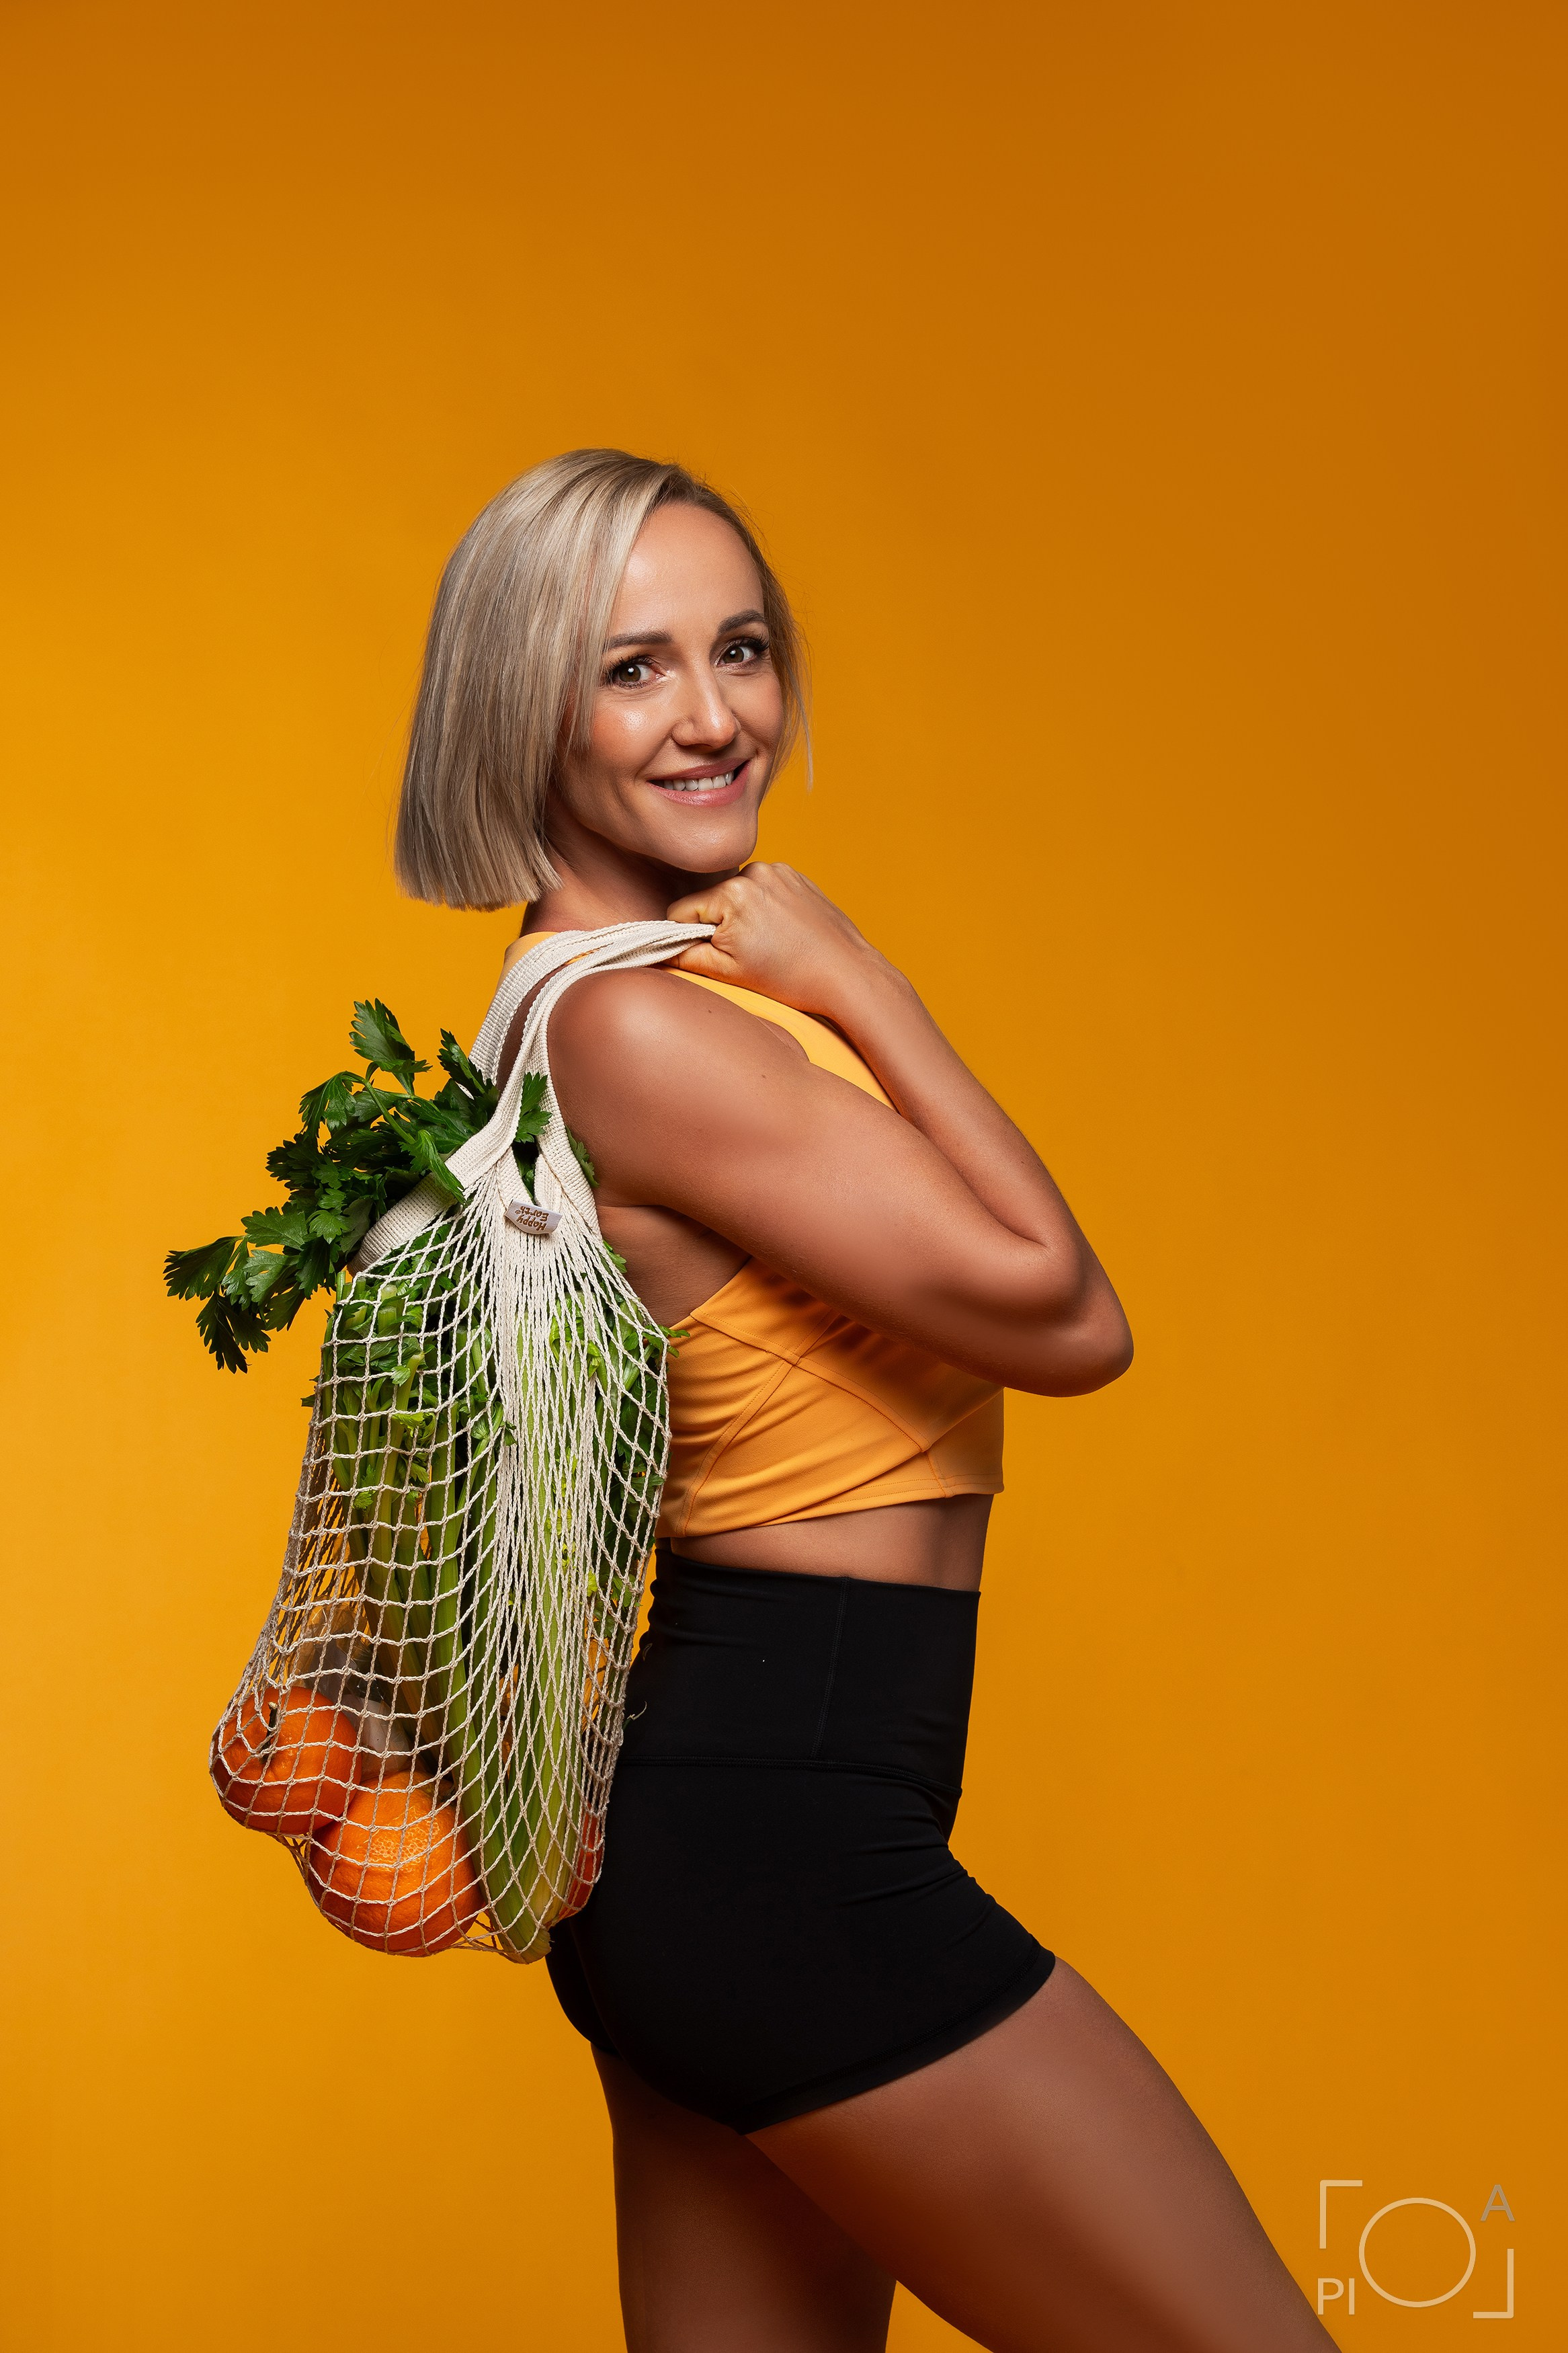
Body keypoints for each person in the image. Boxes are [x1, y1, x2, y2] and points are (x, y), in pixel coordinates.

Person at [395, 450, 1333, 2352]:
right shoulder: (642, 1022)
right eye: (634, 666)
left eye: (739, 648)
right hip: (781, 1840)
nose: (718, 712)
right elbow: (1064, 1314)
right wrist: (864, 979)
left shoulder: (568, 1003)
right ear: (522, 700)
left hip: (719, 1839)